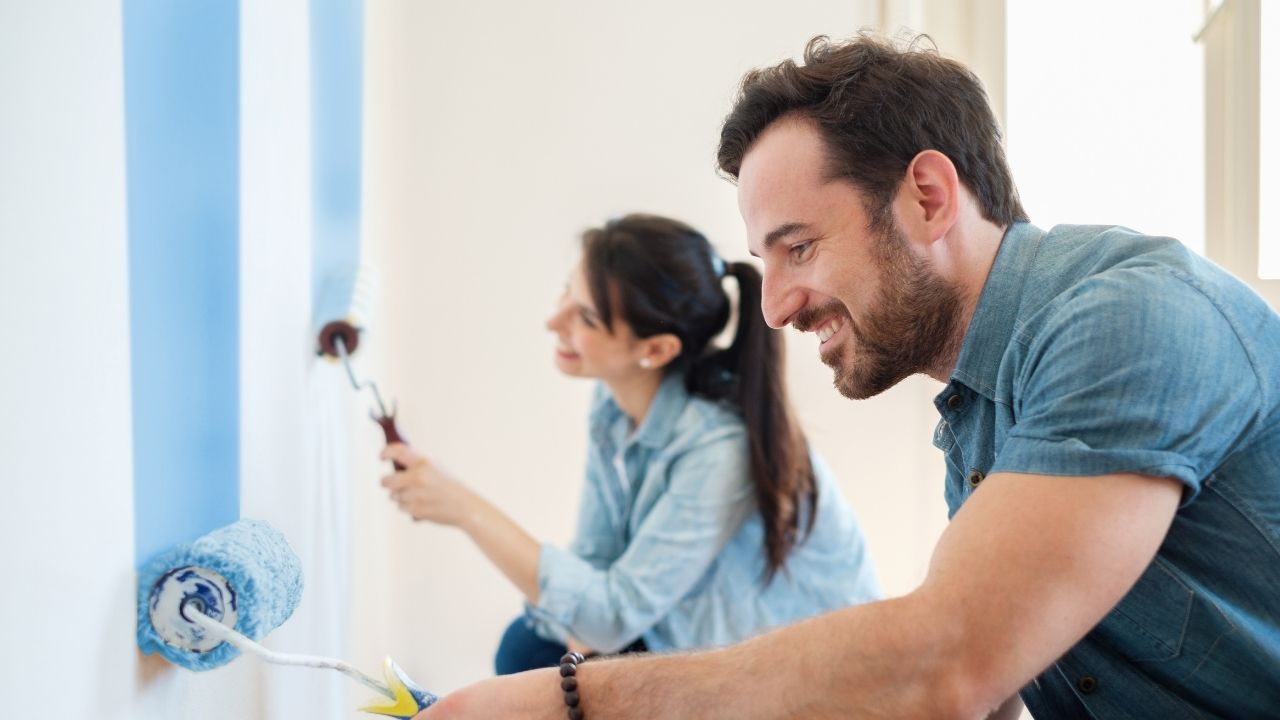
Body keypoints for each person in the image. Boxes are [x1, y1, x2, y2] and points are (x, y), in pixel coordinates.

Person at [414, 33, 1280, 719]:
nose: (775, 308)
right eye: (766, 260)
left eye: (800, 248)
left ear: (929, 197)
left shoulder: (1126, 320)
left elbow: (949, 667)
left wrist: (568, 700)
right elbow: (990, 685)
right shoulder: (978, 410)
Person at [380, 213, 880, 676]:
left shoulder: (720, 450)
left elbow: (611, 616)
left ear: (656, 350)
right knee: (531, 646)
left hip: (798, 677)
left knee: (536, 656)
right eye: (565, 294)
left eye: (587, 319)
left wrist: (466, 511)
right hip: (682, 632)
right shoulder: (613, 406)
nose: (554, 322)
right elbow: (597, 564)